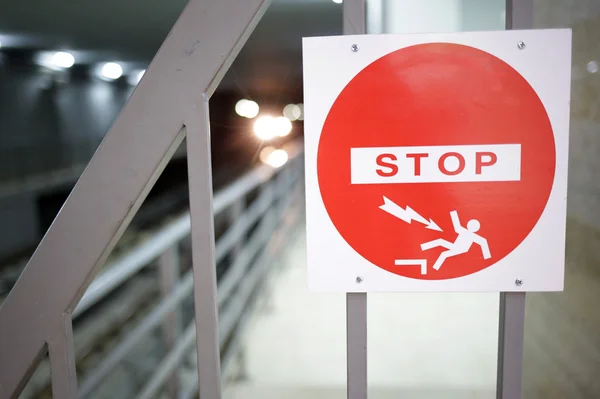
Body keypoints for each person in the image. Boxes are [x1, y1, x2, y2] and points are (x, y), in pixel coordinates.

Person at [421, 210, 491, 271]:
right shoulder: (464, 231)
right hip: (455, 246)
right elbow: (457, 227)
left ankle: (434, 268)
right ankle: (422, 247)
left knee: (443, 253)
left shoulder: (472, 235)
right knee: (441, 243)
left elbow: (483, 242)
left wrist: (487, 257)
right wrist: (453, 214)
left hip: (460, 249)